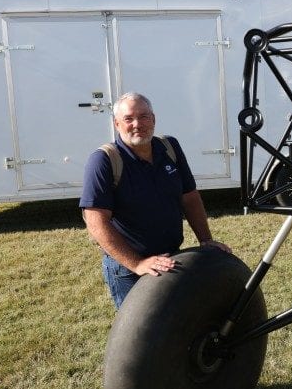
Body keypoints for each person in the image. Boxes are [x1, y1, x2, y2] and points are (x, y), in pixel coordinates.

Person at [80, 92, 230, 308]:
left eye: (143, 117)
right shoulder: (104, 160)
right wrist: (137, 264)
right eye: (129, 119)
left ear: (153, 118)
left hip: (171, 260)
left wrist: (205, 239)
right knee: (139, 338)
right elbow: (96, 223)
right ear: (116, 124)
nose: (137, 124)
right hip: (128, 270)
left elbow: (189, 196)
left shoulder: (169, 148)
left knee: (174, 324)